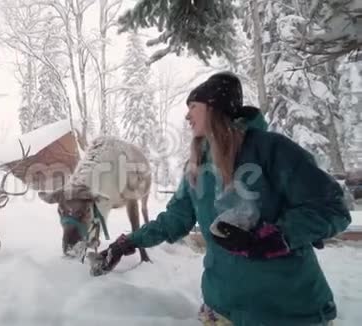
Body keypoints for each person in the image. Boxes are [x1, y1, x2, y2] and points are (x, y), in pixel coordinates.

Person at [90, 72, 352, 326]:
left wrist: (276, 237)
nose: (186, 115)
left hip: (287, 310)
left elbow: (332, 207)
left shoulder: (272, 149)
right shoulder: (196, 167)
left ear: (213, 107)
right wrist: (127, 243)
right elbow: (174, 219)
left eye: (193, 106)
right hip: (222, 310)